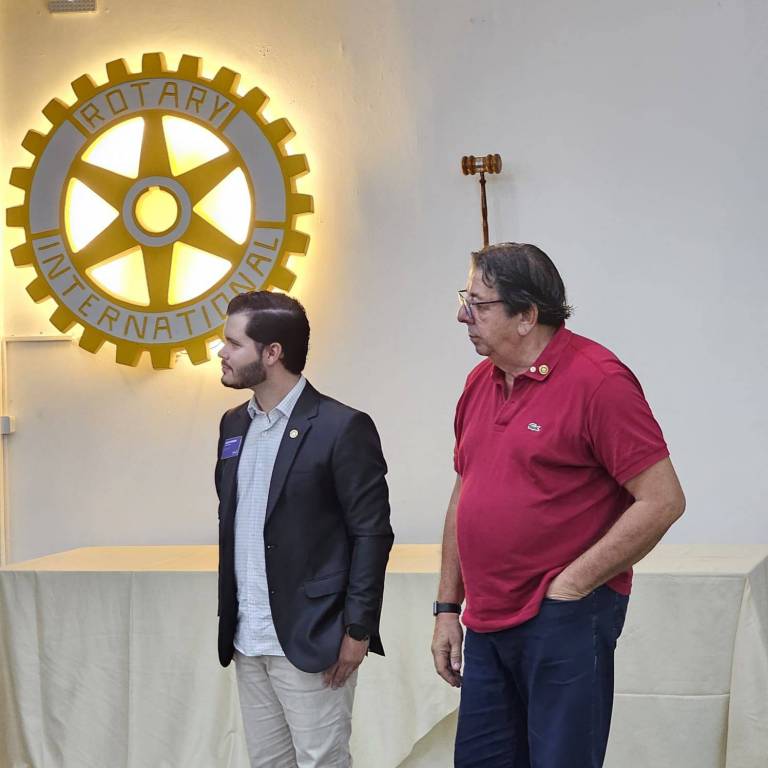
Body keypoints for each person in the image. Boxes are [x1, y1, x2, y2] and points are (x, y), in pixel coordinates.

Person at [431, 243, 685, 768]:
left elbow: (662, 500)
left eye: (479, 304)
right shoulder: (480, 381)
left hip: (564, 616)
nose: (463, 316)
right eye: (465, 300)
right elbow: (465, 493)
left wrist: (571, 586)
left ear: (526, 316)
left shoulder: (598, 381)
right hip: (486, 620)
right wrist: (447, 608)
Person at [215, 290, 393, 768]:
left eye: (234, 343)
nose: (222, 352)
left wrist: (358, 628)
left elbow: (371, 535)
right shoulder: (233, 426)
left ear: (272, 353)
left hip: (314, 638)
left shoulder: (341, 427)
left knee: (321, 761)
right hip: (248, 637)